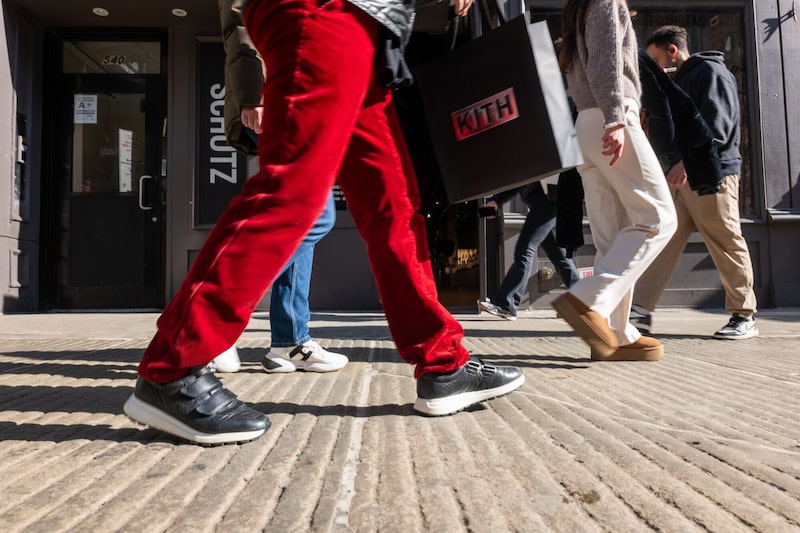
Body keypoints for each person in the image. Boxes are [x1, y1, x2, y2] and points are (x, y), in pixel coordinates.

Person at [123, 0, 524, 445]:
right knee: (293, 191)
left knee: (394, 204)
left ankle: (441, 361)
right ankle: (172, 368)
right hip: (322, 11)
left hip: (363, 25)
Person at [212, 0, 348, 374]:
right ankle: (208, 325)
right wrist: (253, 93)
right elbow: (239, 20)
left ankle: (288, 340)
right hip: (274, 98)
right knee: (311, 214)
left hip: (302, 99)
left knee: (301, 219)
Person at [551, 0, 677, 361]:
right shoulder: (605, 1)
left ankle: (616, 334)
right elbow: (605, 61)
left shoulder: (578, 7)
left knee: (614, 234)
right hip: (611, 119)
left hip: (587, 126)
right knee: (659, 218)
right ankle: (588, 299)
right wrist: (615, 118)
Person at [632, 25, 758, 340]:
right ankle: (639, 313)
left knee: (726, 240)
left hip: (712, 173)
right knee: (662, 239)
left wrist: (685, 163)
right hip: (683, 175)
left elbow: (719, 127)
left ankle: (744, 315)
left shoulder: (711, 74)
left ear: (672, 50)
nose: (657, 67)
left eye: (657, 59)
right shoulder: (682, 80)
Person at [478, 180, 579, 320]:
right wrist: (496, 201)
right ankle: (581, 303)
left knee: (524, 250)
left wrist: (497, 200)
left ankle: (506, 304)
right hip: (547, 202)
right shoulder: (521, 162)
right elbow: (519, 180)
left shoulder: (534, 158)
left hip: (547, 201)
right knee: (559, 257)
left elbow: (524, 176)